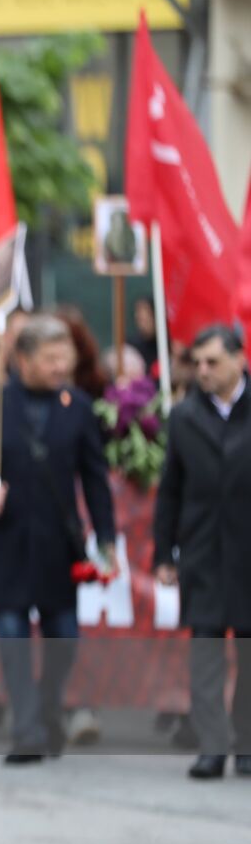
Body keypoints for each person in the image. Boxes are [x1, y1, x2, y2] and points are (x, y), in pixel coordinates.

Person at [0, 315, 116, 764]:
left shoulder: (78, 407)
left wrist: (105, 537)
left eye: (66, 357)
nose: (61, 366)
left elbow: (95, 479)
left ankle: (48, 706)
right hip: (6, 541)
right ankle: (26, 730)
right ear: (22, 359)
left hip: (58, 545)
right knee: (12, 637)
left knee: (64, 636)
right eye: (50, 358)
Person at [153, 324, 251, 780]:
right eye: (198, 363)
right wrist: (164, 554)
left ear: (239, 359)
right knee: (206, 648)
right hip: (203, 547)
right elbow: (170, 490)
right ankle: (212, 745)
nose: (204, 371)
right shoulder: (186, 416)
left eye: (213, 362)